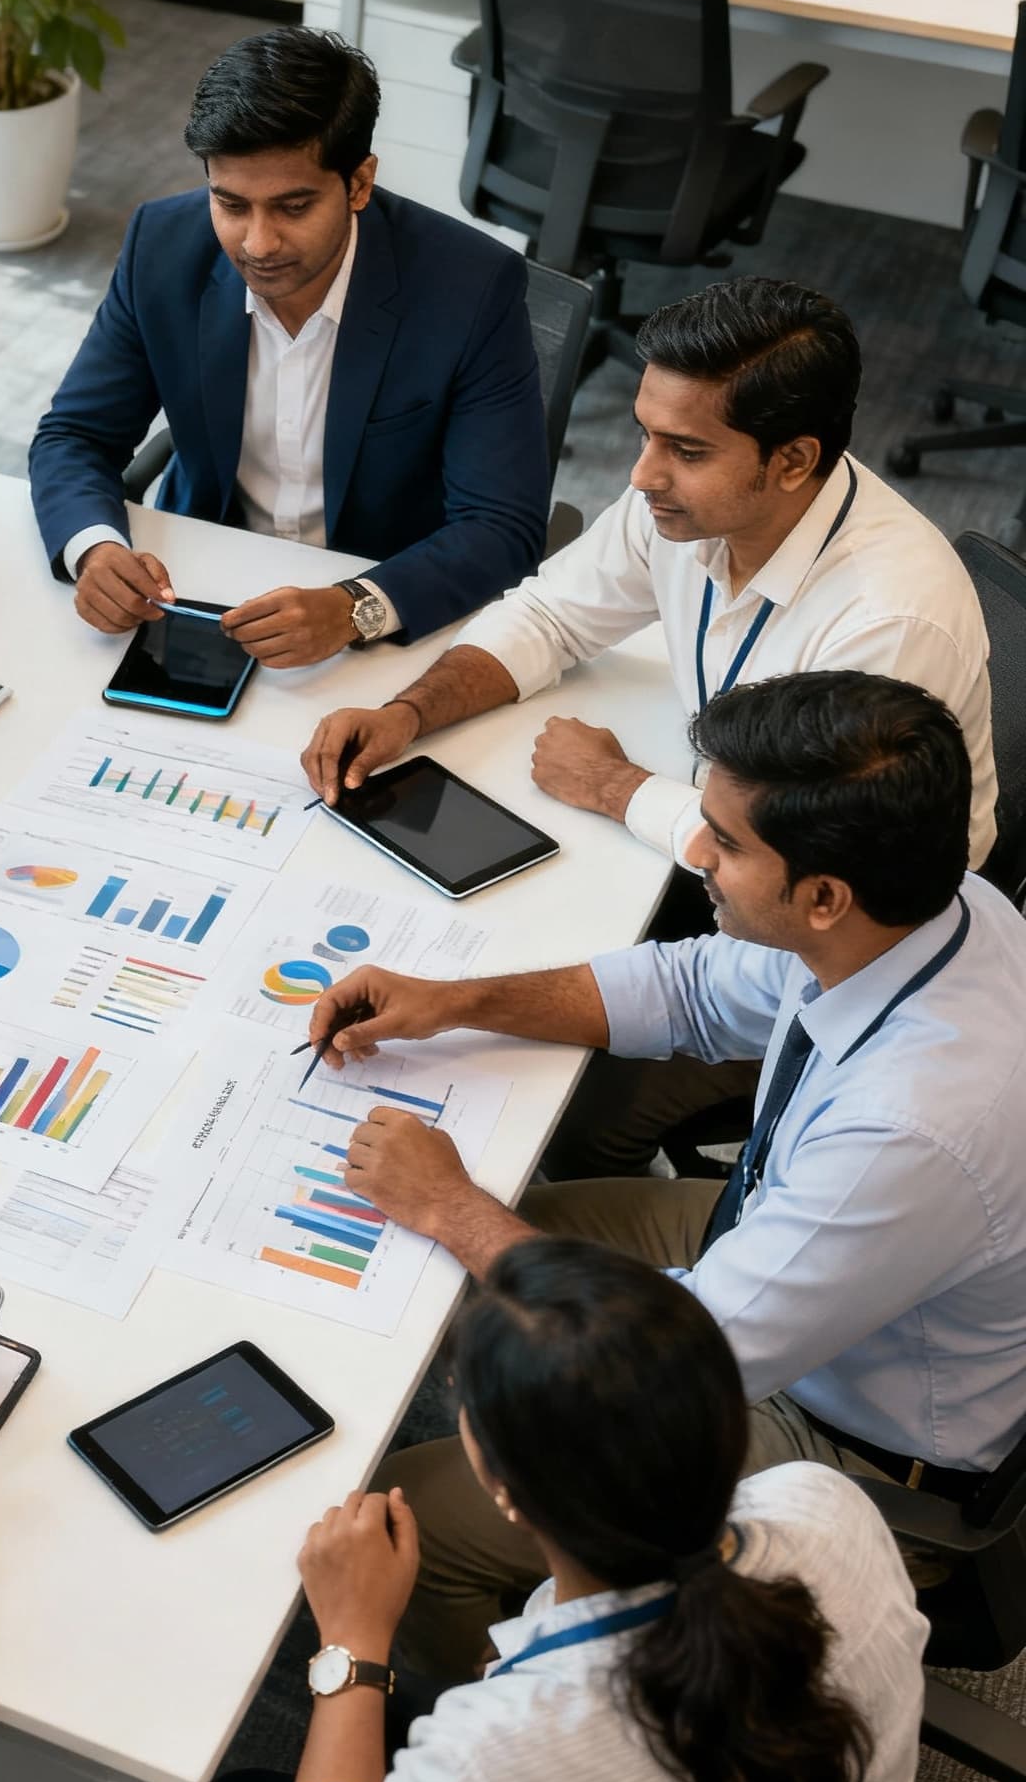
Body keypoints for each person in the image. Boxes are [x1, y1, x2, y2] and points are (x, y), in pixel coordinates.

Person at [303, 671, 1026, 1681]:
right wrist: (454, 1000)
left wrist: (451, 1207)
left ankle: (544, 1739)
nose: (698, 856)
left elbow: (672, 1370)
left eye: (724, 843)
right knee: (479, 1263)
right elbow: (687, 990)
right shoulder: (928, 907)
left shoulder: (911, 1130)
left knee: (406, 1522)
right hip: (770, 1250)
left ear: (823, 896)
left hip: (834, 1440)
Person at [303, 276, 997, 1178]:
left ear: (793, 460)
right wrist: (408, 711)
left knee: (558, 1108)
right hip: (728, 857)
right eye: (645, 434)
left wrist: (616, 788)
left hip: (830, 944)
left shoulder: (887, 625)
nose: (642, 475)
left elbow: (808, 873)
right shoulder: (696, 500)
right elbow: (551, 615)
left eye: (686, 450)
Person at [173, 1240, 929, 1782]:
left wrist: (352, 1641)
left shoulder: (505, 1757)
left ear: (503, 1489)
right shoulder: (828, 1507)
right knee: (411, 1720)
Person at [29, 26, 545, 662]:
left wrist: (355, 607)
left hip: (382, 600)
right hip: (200, 582)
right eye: (231, 205)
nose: (258, 243)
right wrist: (95, 547)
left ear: (359, 184)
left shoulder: (471, 286)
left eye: (293, 208)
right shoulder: (161, 246)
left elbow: (501, 526)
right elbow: (75, 434)